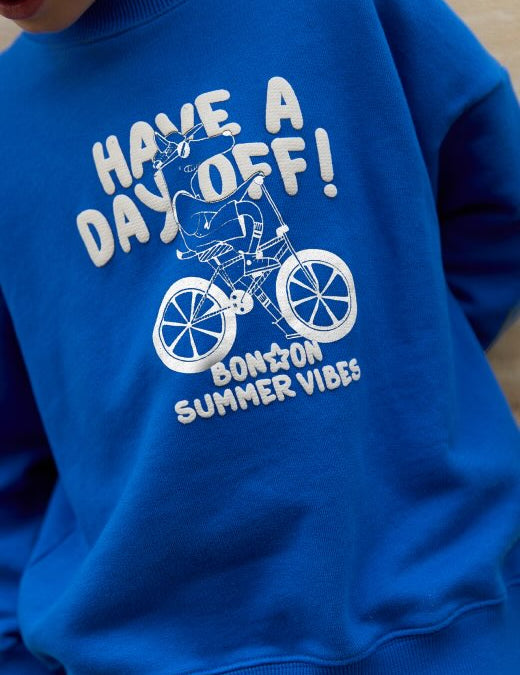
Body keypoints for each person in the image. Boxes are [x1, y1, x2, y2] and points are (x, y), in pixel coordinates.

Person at [1, 0, 519, 673]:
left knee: (252, 238)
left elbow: (494, 197)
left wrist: (411, 349)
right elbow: (10, 445)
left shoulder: (342, 13)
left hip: (446, 605)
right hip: (145, 651)